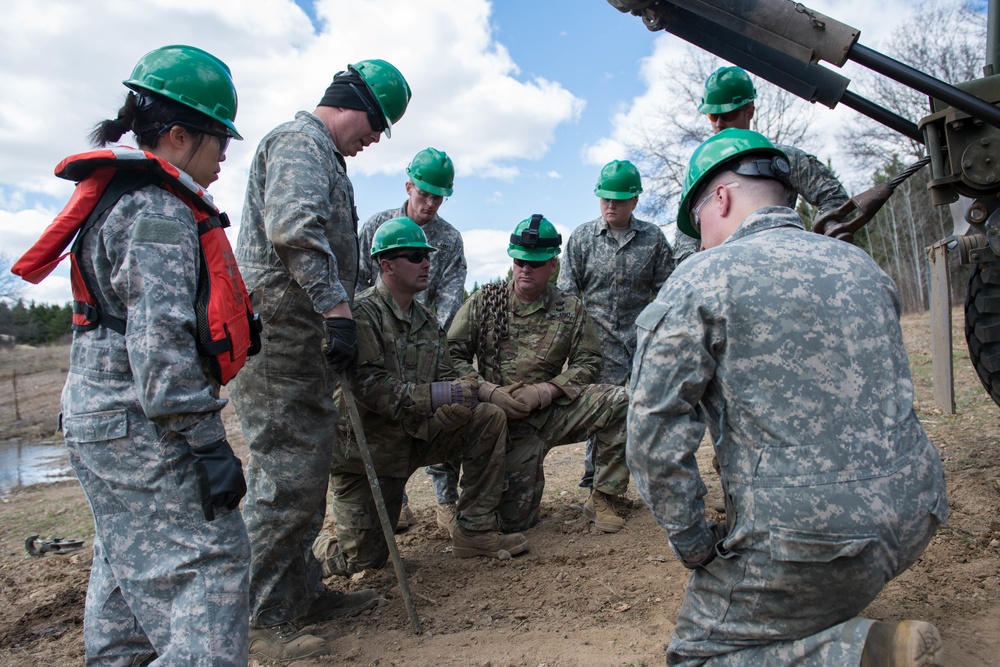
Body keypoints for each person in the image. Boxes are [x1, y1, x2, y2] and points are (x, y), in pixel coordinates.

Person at [628, 128, 948, 666]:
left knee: (697, 658)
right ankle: (823, 606)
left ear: (721, 198)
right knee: (822, 575)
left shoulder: (702, 278)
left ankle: (859, 652)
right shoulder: (861, 267)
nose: (700, 239)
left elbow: (652, 432)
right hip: (917, 511)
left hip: (810, 538)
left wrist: (694, 543)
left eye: (697, 220)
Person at [44, 45, 252, 664]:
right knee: (209, 566)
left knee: (127, 558)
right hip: (140, 426)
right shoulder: (157, 210)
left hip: (99, 420)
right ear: (181, 134)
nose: (221, 159)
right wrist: (208, 444)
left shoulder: (122, 197)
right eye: (219, 142)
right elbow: (159, 347)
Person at [228, 59, 411, 662]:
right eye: (378, 124)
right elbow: (295, 232)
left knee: (305, 471)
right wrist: (337, 312)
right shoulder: (298, 143)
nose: (376, 139)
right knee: (285, 476)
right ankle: (260, 619)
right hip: (281, 339)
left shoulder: (325, 157)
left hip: (302, 345)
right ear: (353, 102)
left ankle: (299, 592)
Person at [313, 218, 527, 576]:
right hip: (371, 452)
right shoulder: (361, 314)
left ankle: (474, 530)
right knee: (364, 561)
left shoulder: (427, 321)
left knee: (487, 417)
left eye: (427, 256)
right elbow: (369, 387)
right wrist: (439, 395)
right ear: (387, 265)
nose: (427, 263)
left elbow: (445, 374)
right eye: (415, 256)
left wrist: (456, 406)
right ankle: (314, 547)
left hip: (415, 437)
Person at [448, 215, 630, 533]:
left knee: (620, 400)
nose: (525, 269)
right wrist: (488, 391)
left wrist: (548, 390)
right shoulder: (484, 303)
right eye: (519, 261)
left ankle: (604, 497)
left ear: (553, 266)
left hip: (550, 413)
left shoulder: (569, 309)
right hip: (500, 422)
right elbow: (451, 358)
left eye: (535, 263)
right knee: (514, 523)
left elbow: (588, 362)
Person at [355, 147, 468, 532]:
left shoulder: (449, 239)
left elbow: (452, 293)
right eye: (425, 194)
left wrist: (423, 337)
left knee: (445, 409)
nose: (431, 203)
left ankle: (446, 500)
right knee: (384, 419)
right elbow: (355, 281)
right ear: (409, 187)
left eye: (439, 196)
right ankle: (396, 501)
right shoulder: (377, 226)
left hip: (428, 339)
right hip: (377, 340)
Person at [557, 160, 678, 511]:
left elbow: (668, 291)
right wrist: (573, 343)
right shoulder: (582, 238)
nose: (610, 205)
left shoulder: (653, 239)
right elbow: (567, 295)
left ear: (635, 201)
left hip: (641, 345)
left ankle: (617, 489)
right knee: (603, 416)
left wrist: (655, 333)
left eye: (619, 199)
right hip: (596, 347)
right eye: (605, 198)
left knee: (639, 416)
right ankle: (598, 489)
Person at [699, 65, 849, 219]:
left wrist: (812, 239)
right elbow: (688, 235)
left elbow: (836, 199)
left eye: (728, 115)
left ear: (749, 112)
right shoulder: (702, 171)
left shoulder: (783, 159)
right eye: (712, 116)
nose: (719, 124)